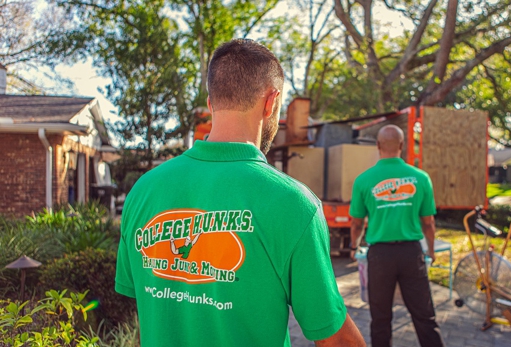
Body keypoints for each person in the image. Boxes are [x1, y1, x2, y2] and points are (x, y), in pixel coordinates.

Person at [115, 39, 365, 347]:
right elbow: (335, 340)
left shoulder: (143, 191)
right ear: (271, 102)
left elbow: (146, 310)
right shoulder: (294, 205)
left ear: (211, 103)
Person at [348, 125, 445, 347]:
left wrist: (354, 247)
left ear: (378, 145)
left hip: (379, 256)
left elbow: (356, 222)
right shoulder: (420, 177)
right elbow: (428, 222)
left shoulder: (364, 180)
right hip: (411, 253)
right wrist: (430, 250)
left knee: (380, 319)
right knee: (424, 317)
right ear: (402, 146)